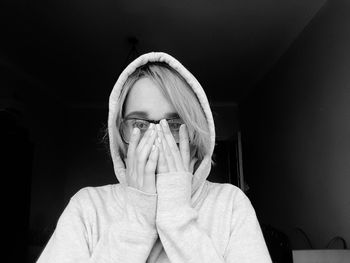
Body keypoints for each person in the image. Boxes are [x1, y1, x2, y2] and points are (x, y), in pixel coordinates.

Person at [36, 52, 272, 262]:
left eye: (174, 124)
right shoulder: (87, 208)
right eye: (140, 123)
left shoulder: (230, 205)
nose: (158, 141)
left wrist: (177, 218)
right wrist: (136, 220)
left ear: (193, 133)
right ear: (121, 133)